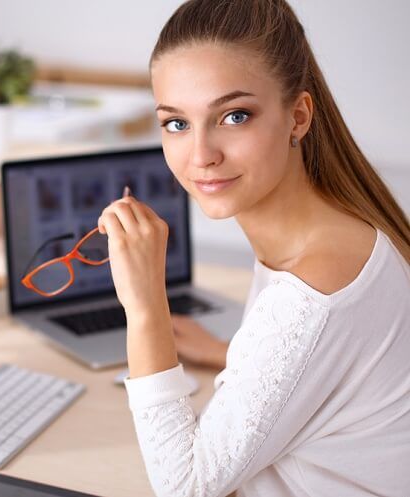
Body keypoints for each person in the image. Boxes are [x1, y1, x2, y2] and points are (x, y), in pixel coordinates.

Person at [96, 0, 410, 495]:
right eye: (176, 123)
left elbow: (186, 487)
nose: (201, 155)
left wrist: (145, 306)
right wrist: (234, 355)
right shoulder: (330, 233)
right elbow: (332, 371)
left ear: (298, 117)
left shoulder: (317, 287)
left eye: (234, 115)